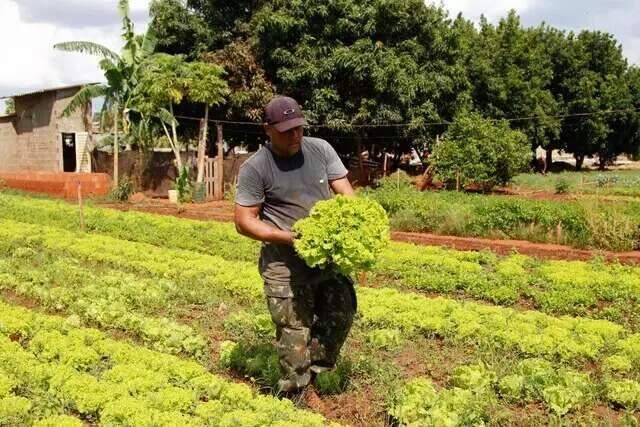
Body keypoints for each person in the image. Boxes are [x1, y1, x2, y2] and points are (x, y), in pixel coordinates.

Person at [234, 96, 357, 393]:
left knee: (342, 312)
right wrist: (289, 237)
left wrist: (350, 227)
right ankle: (293, 396)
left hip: (326, 259)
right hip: (284, 266)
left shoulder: (320, 149)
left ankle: (315, 370)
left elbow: (346, 194)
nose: (295, 136)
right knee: (293, 338)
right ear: (268, 129)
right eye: (286, 130)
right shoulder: (256, 168)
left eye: (299, 128)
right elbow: (244, 221)